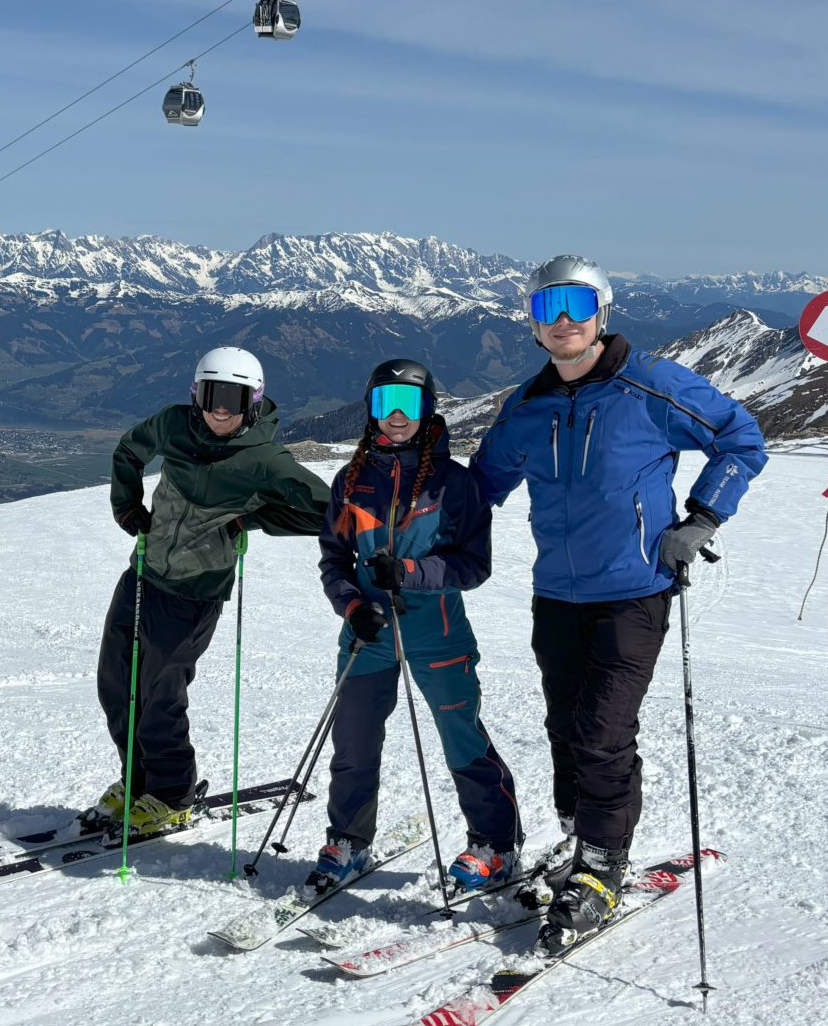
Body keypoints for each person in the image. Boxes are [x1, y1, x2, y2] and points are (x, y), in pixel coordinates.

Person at [471, 256, 764, 945]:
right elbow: (480, 485)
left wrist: (702, 518)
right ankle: (581, 834)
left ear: (602, 312)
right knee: (565, 725)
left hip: (634, 591)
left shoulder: (651, 383)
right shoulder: (527, 405)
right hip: (556, 594)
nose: (562, 321)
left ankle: (603, 866)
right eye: (546, 307)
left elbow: (740, 439)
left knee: (603, 731)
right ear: (531, 322)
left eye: (576, 305)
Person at [98, 347, 332, 831]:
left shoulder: (265, 460)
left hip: (194, 592)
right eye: (211, 395)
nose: (220, 410)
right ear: (195, 394)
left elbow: (329, 512)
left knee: (159, 693)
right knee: (117, 684)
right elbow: (129, 450)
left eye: (234, 398)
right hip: (143, 573)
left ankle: (171, 795)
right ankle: (136, 781)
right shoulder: (175, 425)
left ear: (254, 401)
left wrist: (255, 518)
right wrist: (127, 505)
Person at [313, 359, 521, 897]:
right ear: (370, 410)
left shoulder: (455, 484)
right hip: (368, 633)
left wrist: (408, 572)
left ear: (428, 409)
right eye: (386, 403)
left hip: (438, 632)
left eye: (409, 403)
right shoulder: (352, 481)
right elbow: (334, 560)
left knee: (461, 739)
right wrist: (351, 606)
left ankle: (495, 845)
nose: (398, 416)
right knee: (354, 741)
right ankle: (348, 841)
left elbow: (473, 565)